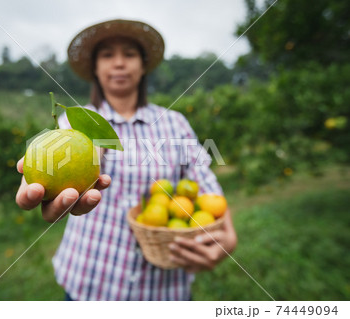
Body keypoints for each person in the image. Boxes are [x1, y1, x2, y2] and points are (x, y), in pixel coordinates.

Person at [15, 19, 237, 301]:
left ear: (143, 66)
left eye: (129, 54)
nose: (119, 63)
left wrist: (228, 235)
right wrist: (46, 173)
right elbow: (74, 154)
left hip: (163, 290)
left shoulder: (174, 123)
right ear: (95, 68)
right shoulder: (75, 121)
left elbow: (205, 183)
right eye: (107, 55)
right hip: (91, 282)